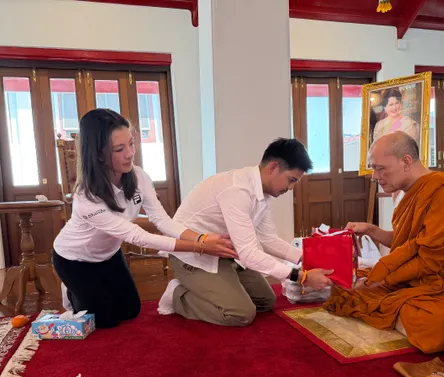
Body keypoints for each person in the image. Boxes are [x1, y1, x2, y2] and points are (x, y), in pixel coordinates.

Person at [52, 109, 237, 328]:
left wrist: (201, 238)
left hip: (109, 254)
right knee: (106, 320)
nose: (130, 153)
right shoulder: (86, 197)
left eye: (131, 143)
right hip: (74, 259)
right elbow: (137, 237)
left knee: (131, 310)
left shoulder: (138, 176)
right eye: (119, 149)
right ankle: (72, 292)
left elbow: (161, 220)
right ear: (99, 154)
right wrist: (200, 247)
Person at [323, 131, 444, 353]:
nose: (375, 176)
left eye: (380, 168)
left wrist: (381, 281)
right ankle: (396, 312)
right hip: (418, 278)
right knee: (345, 285)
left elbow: (429, 258)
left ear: (406, 161)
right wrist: (370, 229)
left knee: (429, 323)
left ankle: (399, 312)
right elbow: (407, 243)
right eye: (374, 169)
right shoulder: (408, 194)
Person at [157, 138, 333, 326]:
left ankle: (218, 284)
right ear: (273, 167)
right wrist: (302, 276)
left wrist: (307, 258)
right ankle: (177, 295)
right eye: (291, 180)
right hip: (192, 255)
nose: (291, 188)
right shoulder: (237, 191)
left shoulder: (263, 193)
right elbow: (248, 254)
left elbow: (268, 240)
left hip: (225, 254)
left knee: (265, 301)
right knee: (240, 314)